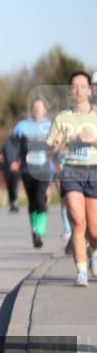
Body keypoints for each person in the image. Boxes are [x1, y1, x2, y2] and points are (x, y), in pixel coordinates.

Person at [46, 71, 97, 287]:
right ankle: (81, 272)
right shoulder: (61, 118)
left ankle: (94, 252)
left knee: (94, 228)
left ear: (89, 90)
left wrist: (92, 140)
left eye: (82, 86)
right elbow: (48, 148)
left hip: (93, 171)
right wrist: (56, 143)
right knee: (78, 222)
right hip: (71, 172)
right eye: (74, 87)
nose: (78, 90)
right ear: (70, 90)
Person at [10, 99, 53, 248]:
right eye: (34, 107)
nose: (37, 110)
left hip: (45, 168)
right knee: (33, 200)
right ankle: (35, 231)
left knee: (41, 199)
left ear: (45, 110)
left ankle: (40, 231)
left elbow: (59, 144)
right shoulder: (22, 126)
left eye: (40, 107)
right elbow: (12, 144)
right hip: (27, 169)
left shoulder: (51, 126)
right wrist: (12, 160)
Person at [0, 128, 22, 213]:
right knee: (9, 186)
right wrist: (1, 157)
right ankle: (12, 203)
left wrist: (17, 164)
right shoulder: (6, 145)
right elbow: (0, 156)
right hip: (7, 168)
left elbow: (22, 155)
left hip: (16, 168)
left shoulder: (19, 144)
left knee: (14, 186)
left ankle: (15, 203)